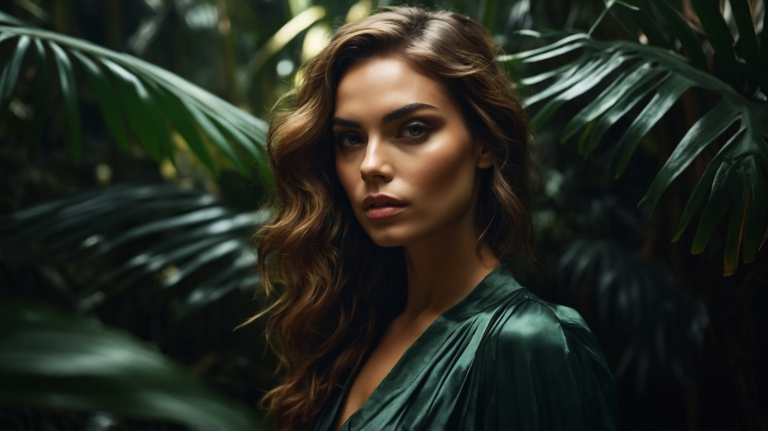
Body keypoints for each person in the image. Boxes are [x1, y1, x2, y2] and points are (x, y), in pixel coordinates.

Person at [252, 6, 619, 430]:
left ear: (485, 143)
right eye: (350, 139)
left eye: (413, 129)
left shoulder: (530, 343)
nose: (370, 165)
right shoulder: (351, 331)